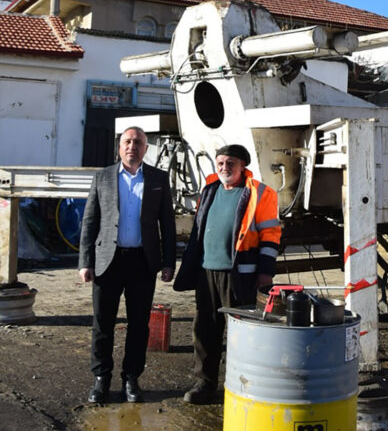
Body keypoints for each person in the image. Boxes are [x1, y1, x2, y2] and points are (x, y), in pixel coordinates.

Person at [173, 143, 282, 404]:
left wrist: (265, 273)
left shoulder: (260, 193)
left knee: (242, 333)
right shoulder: (210, 190)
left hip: (240, 275)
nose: (224, 168)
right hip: (207, 272)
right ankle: (205, 383)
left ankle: (244, 382)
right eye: (220, 163)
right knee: (205, 329)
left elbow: (271, 235)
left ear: (243, 165)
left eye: (230, 163)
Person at [78, 126, 175, 404]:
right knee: (103, 323)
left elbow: (167, 225)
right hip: (107, 262)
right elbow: (90, 221)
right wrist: (86, 261)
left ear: (146, 149)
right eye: (127, 142)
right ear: (119, 147)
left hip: (142, 263)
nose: (132, 146)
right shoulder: (103, 177)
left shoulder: (158, 178)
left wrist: (168, 263)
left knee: (138, 325)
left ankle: (131, 378)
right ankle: (101, 378)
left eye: (138, 142)